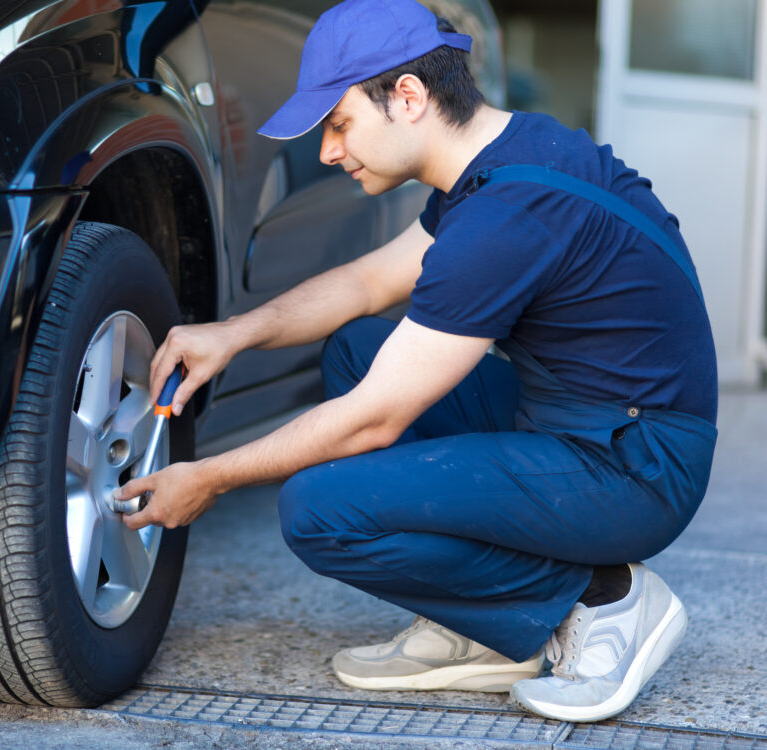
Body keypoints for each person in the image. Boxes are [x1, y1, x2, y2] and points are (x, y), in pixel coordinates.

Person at [113, 0, 718, 722]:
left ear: (407, 97)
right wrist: (232, 332)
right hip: (588, 416)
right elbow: (368, 284)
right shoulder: (505, 160)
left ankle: (601, 601)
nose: (330, 151)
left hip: (637, 466)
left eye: (338, 124)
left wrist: (208, 477)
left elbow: (374, 421)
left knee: (319, 510)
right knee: (356, 349)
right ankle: (484, 623)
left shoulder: (506, 218)